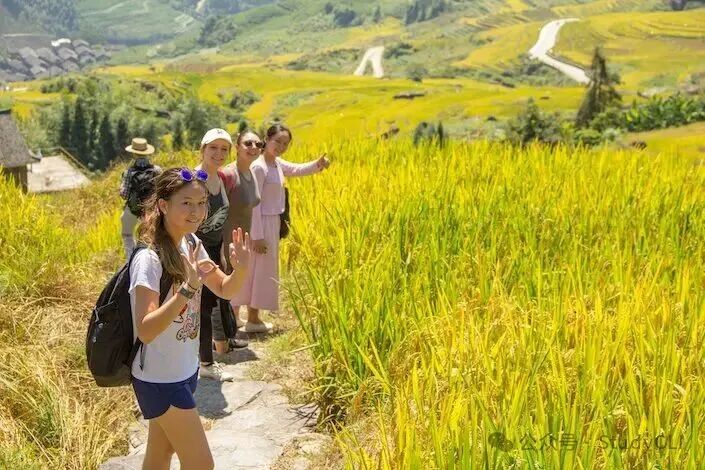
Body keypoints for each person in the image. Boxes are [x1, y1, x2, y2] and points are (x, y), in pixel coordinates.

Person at [130, 167, 250, 470]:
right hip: (159, 377)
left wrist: (243, 268)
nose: (196, 212)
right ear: (163, 205)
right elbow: (145, 330)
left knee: (160, 455)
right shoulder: (149, 259)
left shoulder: (191, 243)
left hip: (184, 369)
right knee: (200, 464)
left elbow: (223, 288)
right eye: (187, 203)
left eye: (201, 203)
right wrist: (187, 289)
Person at [232, 124, 330, 333]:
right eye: (278, 141)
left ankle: (240, 317)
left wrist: (318, 164)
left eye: (285, 143)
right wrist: (257, 236)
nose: (281, 146)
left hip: (271, 221)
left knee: (254, 269)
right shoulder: (259, 166)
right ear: (266, 139)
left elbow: (296, 169)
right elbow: (253, 203)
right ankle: (250, 318)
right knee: (256, 270)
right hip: (260, 223)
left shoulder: (275, 163)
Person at [194, 128, 247, 382]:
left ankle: (202, 358)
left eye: (224, 149)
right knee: (202, 307)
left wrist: (223, 254)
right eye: (213, 148)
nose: (218, 153)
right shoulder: (196, 180)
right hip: (195, 252)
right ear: (202, 149)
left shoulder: (219, 179)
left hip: (213, 251)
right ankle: (205, 362)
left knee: (209, 304)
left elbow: (221, 222)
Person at [214, 129, 264, 354]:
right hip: (226, 241)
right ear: (237, 146)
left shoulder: (251, 172)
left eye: (258, 143)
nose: (254, 147)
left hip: (241, 242)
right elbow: (214, 209)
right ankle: (217, 342)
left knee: (231, 292)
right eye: (248, 143)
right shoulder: (228, 175)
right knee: (220, 291)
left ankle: (228, 335)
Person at [119, 137, 160, 261]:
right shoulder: (157, 170)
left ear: (133, 153)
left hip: (133, 209)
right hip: (151, 209)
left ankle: (130, 259)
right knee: (151, 236)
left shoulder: (129, 172)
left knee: (127, 234)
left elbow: (124, 194)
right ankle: (152, 259)